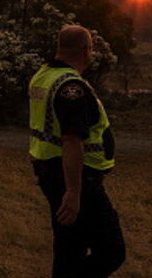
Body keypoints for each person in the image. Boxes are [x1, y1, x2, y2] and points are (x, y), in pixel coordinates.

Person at [29, 25, 126, 277]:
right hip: (76, 179)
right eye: (91, 49)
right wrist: (74, 192)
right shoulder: (71, 87)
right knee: (112, 250)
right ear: (85, 51)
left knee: (69, 248)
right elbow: (72, 141)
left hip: (50, 171)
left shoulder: (43, 75)